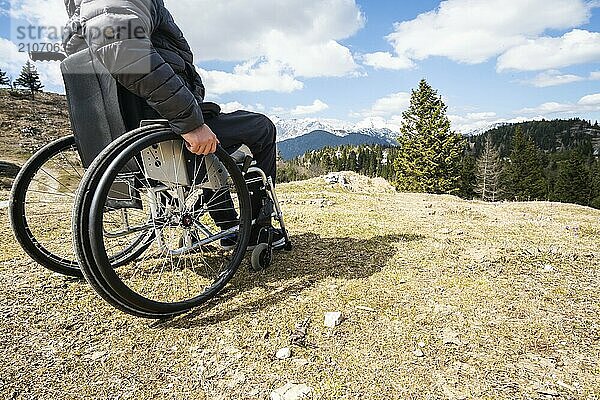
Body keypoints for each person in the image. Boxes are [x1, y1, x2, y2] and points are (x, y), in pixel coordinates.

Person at [62, 0, 285, 248]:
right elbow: (121, 47)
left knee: (212, 139)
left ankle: (229, 226)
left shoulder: (79, 18)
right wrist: (189, 122)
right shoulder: (112, 5)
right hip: (163, 126)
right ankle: (255, 227)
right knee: (261, 127)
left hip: (129, 132)